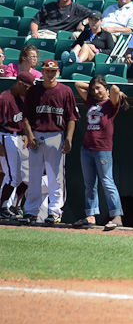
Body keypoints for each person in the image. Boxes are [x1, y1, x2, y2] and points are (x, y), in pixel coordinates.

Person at [19, 59, 79, 226]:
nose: (50, 74)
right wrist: (30, 136)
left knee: (56, 177)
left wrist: (69, 138)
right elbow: (26, 117)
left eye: (53, 71)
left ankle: (55, 211)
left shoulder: (65, 91)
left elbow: (72, 117)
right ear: (42, 72)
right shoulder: (34, 91)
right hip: (37, 135)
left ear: (58, 72)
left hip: (56, 135)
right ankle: (31, 211)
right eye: (47, 71)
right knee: (34, 176)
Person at [72, 76, 129, 230]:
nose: (96, 92)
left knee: (107, 181)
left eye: (99, 88)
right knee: (90, 184)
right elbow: (77, 84)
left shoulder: (111, 104)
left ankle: (117, 216)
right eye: (93, 89)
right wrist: (92, 87)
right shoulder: (92, 101)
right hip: (87, 148)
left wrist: (112, 92)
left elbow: (115, 89)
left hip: (102, 149)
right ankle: (91, 216)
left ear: (105, 88)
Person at [0, 71, 33, 220]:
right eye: (27, 87)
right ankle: (2, 207)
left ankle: (12, 206)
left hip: (19, 137)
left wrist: (26, 134)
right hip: (6, 137)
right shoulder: (4, 98)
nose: (29, 91)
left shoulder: (22, 99)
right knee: (12, 176)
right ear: (19, 83)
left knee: (24, 177)